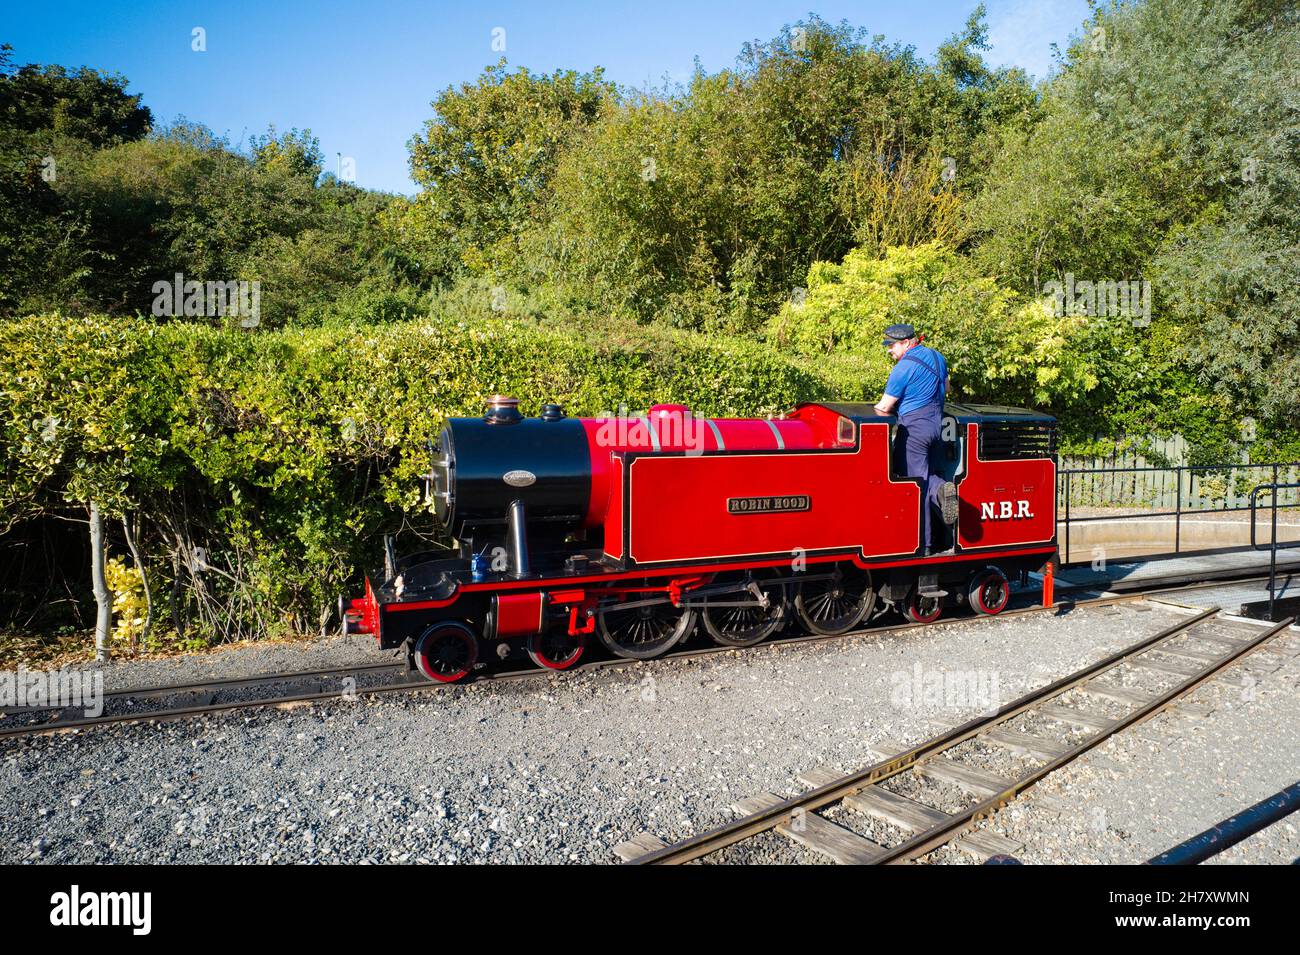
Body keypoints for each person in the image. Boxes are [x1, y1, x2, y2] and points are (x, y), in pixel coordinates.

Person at [873, 323, 959, 558]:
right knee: (927, 476)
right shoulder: (938, 357)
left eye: (892, 345)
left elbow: (884, 406)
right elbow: (947, 388)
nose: (889, 350)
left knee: (915, 484)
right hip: (936, 426)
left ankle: (923, 544)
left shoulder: (903, 368)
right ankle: (941, 489)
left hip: (913, 429)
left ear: (907, 343)